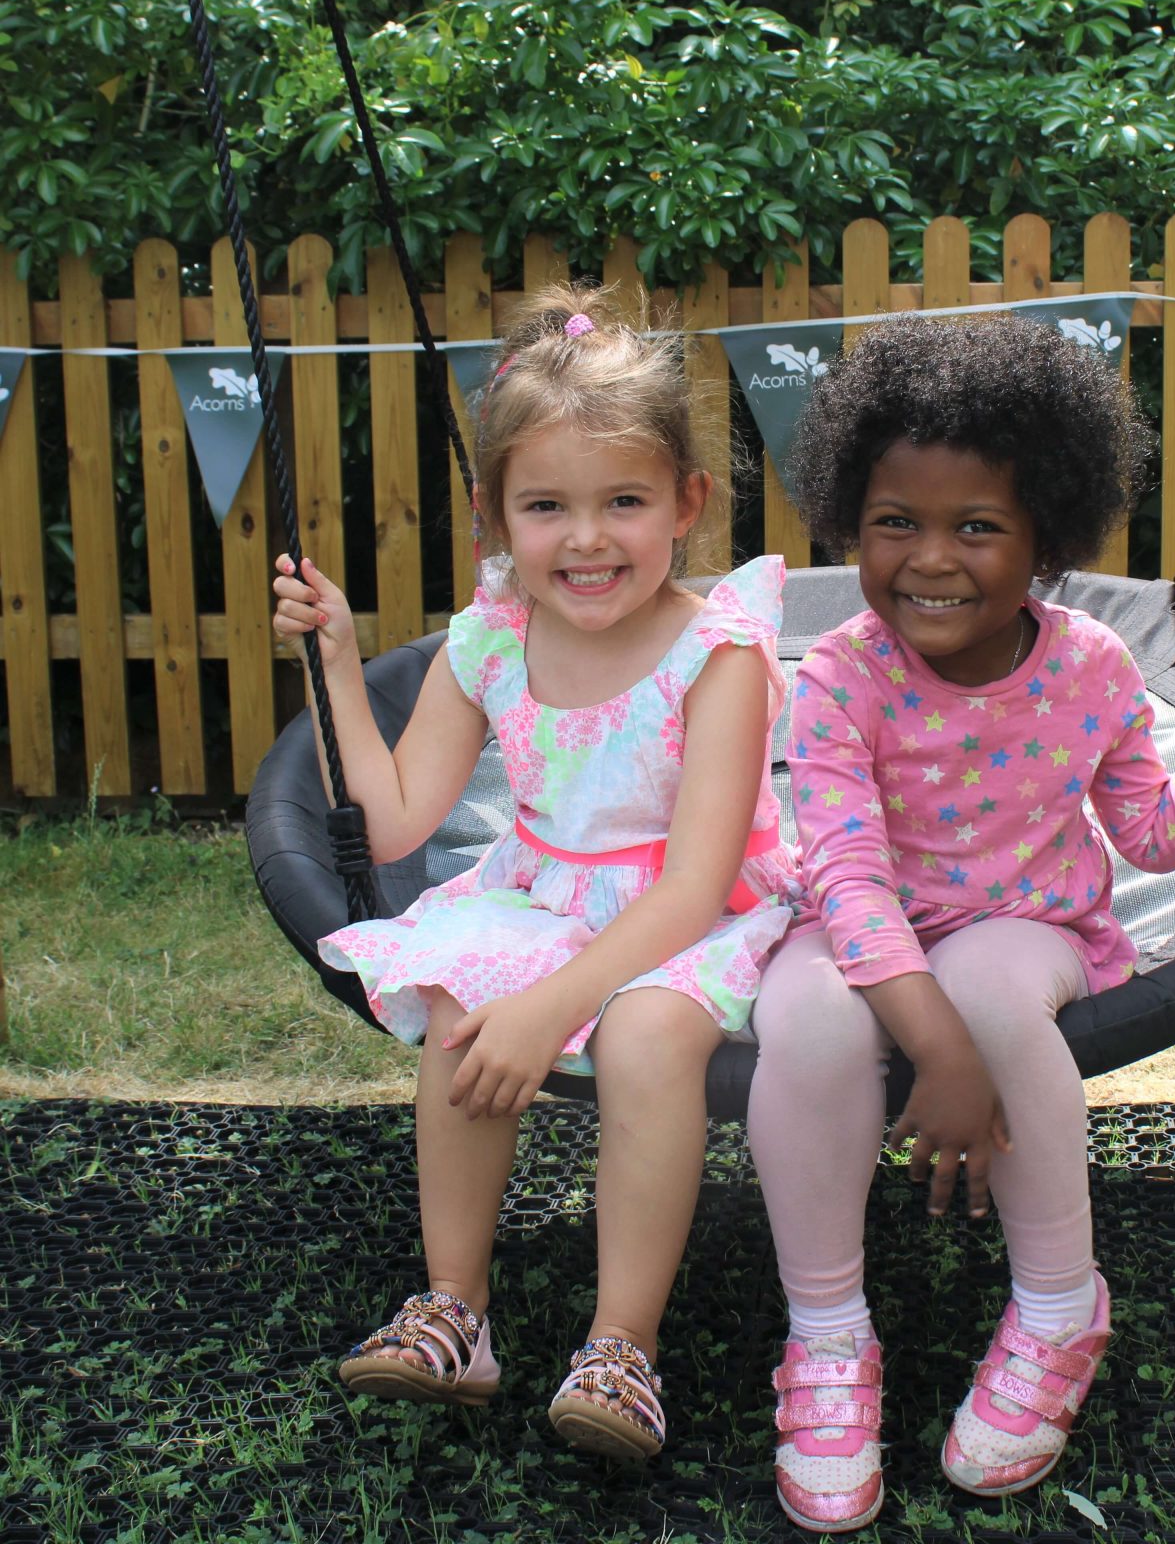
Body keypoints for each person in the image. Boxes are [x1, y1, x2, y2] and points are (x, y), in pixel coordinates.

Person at [746, 314, 1175, 1530]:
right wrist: (935, 1054)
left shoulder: (1086, 668)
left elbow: (1153, 833)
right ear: (845, 523)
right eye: (894, 522)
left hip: (1023, 922)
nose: (932, 557)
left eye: (977, 526)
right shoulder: (838, 678)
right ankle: (825, 1336)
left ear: (1044, 543)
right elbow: (852, 882)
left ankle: (1059, 1301)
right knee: (802, 1013)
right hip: (867, 921)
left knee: (982, 985)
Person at [271, 285, 798, 1461]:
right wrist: (340, 667)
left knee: (646, 1039)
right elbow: (398, 821)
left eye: (624, 501)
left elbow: (698, 882)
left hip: (691, 911)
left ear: (687, 504)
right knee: (461, 1003)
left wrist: (552, 1005)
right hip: (545, 891)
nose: (588, 537)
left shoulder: (718, 651)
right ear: (494, 517)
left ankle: (623, 1345)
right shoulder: (492, 635)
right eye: (547, 506)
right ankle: (456, 1309)